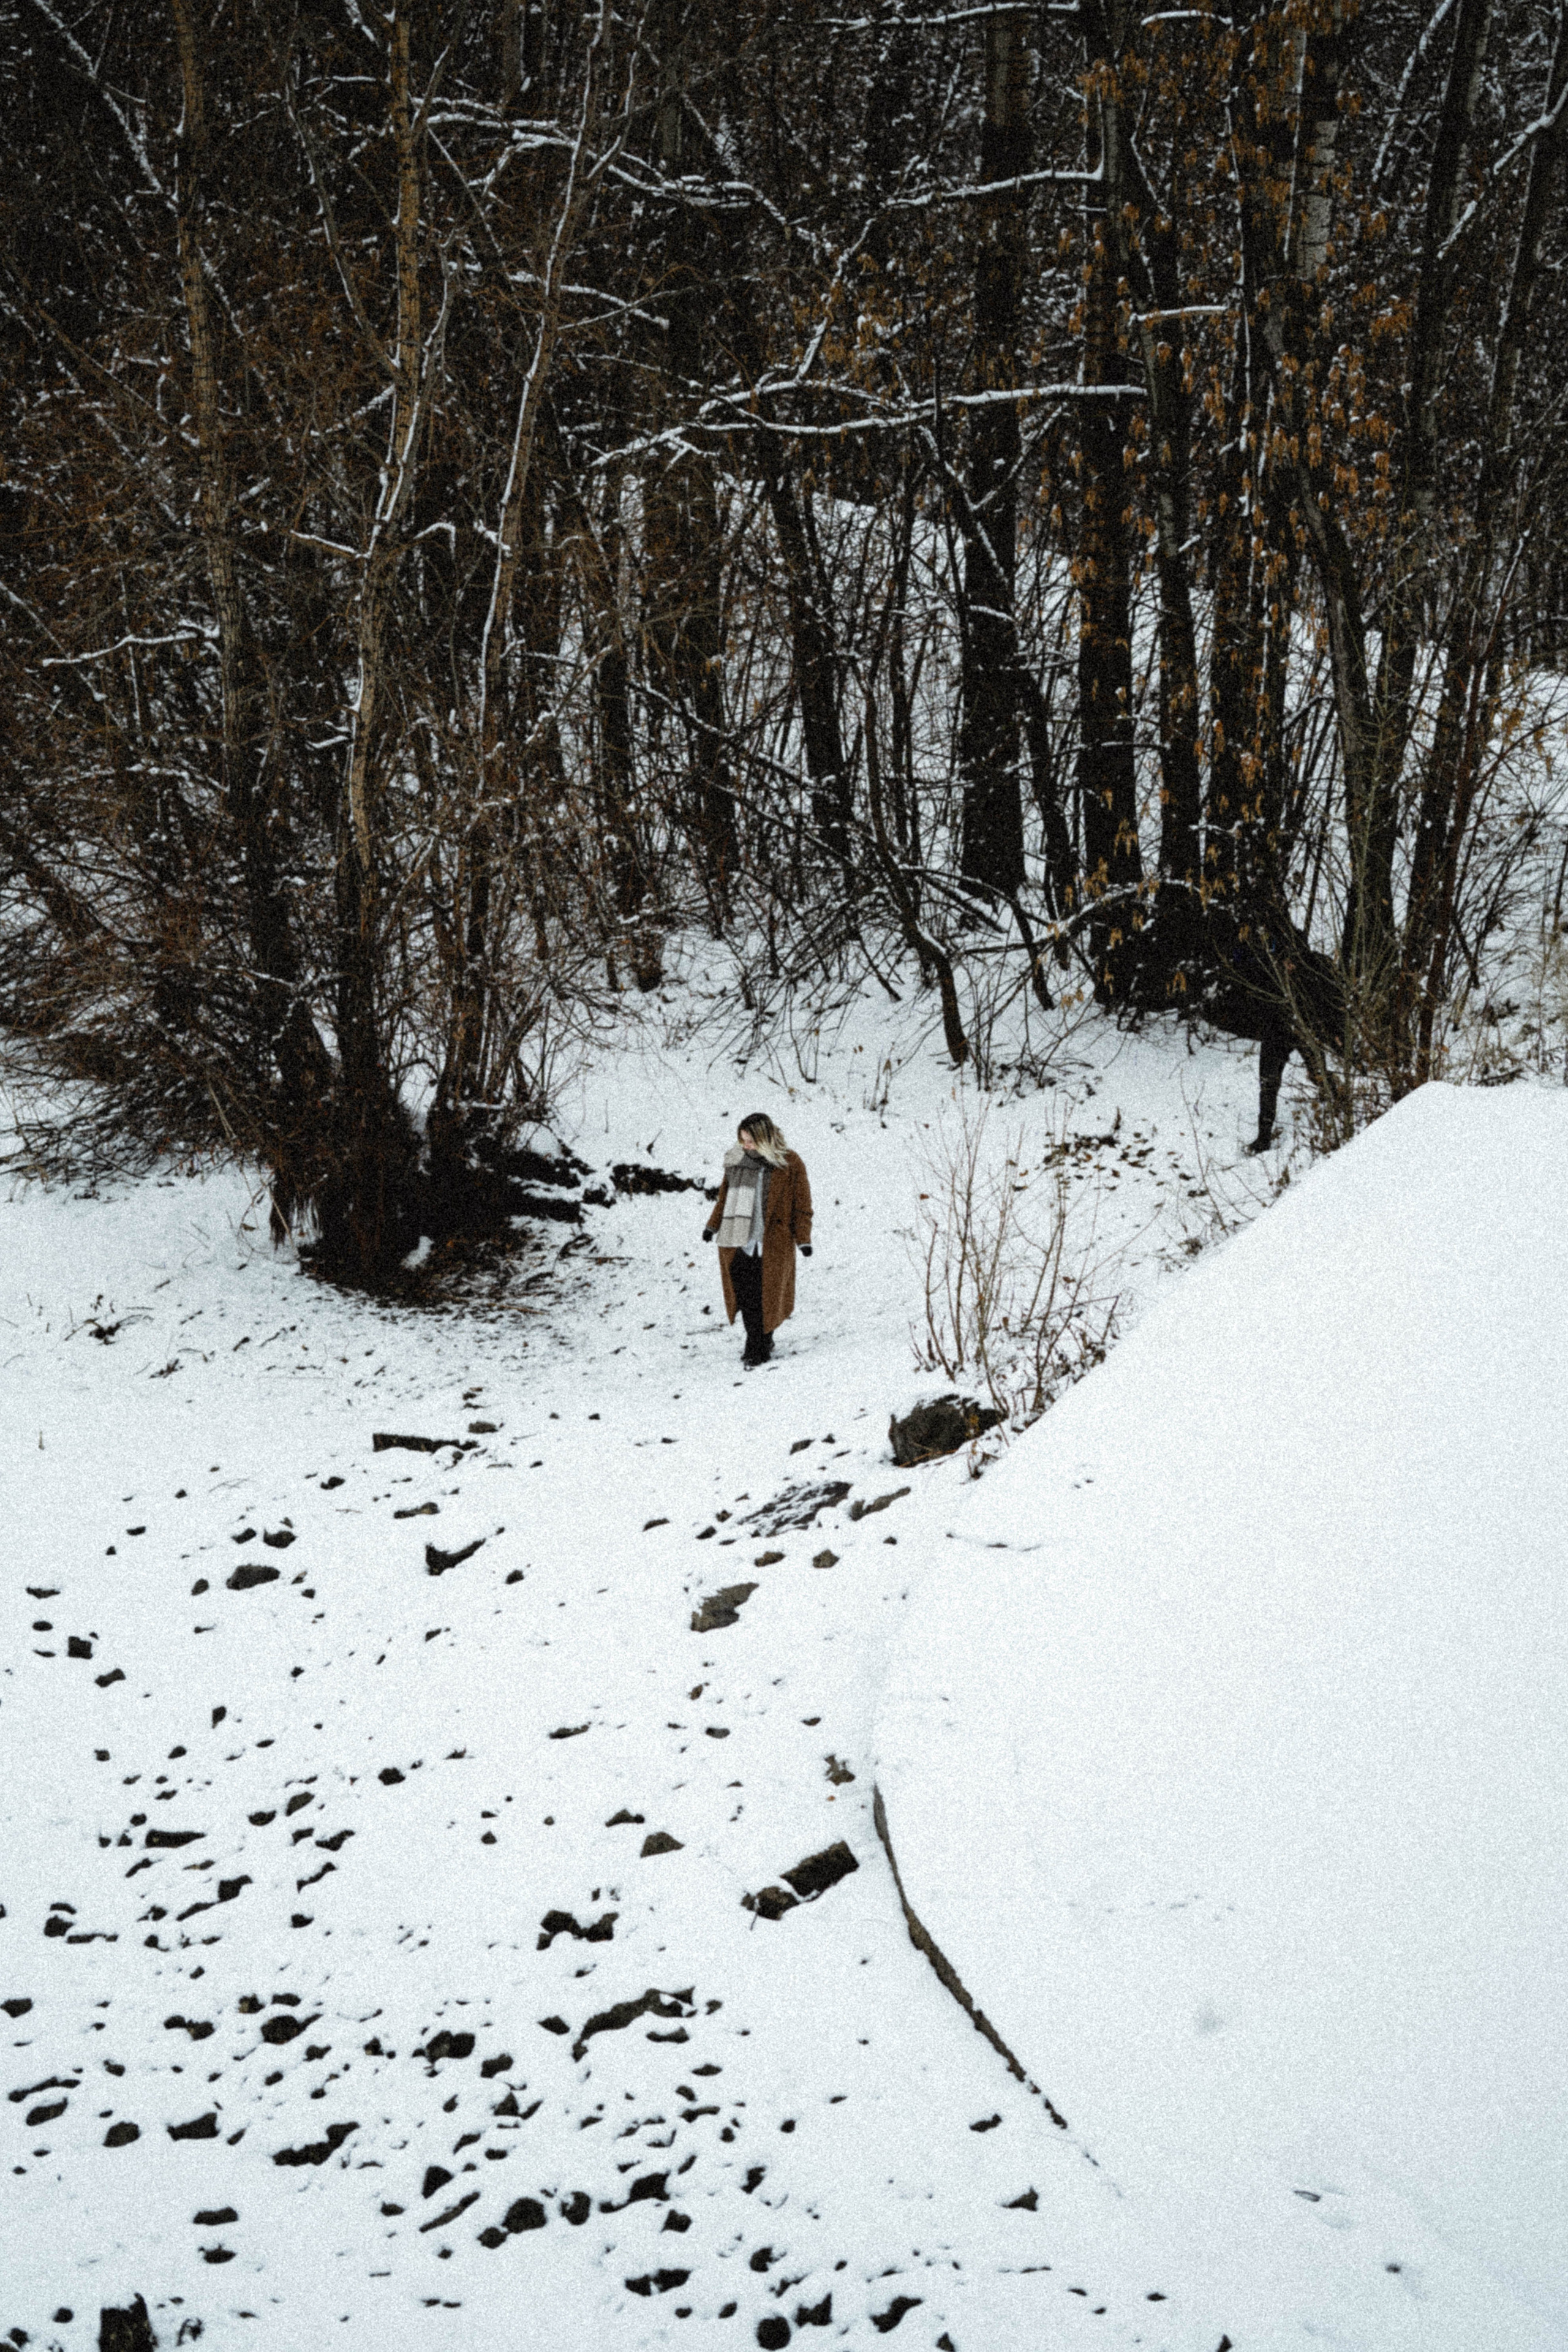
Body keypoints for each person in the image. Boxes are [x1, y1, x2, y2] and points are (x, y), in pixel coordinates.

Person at [701, 1113, 813, 1368]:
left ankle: (758, 1345)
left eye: (750, 1140)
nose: (745, 1146)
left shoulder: (790, 1163)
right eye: (742, 1140)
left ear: (765, 1138)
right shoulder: (737, 1161)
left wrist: (803, 1239)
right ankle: (758, 1340)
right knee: (745, 1292)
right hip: (739, 1239)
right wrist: (712, 1226)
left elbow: (802, 1204)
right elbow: (724, 1198)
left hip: (774, 1241)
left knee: (767, 1294)